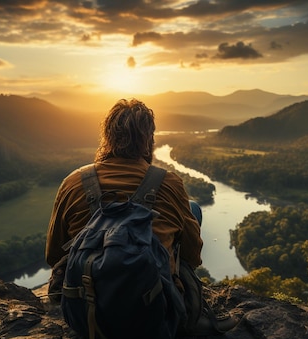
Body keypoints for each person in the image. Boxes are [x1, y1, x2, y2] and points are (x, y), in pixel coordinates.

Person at [45, 98, 203, 281]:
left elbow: (53, 256)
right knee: (193, 209)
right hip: (154, 304)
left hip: (86, 303)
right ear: (149, 140)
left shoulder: (73, 183)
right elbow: (193, 256)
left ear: (107, 137)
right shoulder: (169, 183)